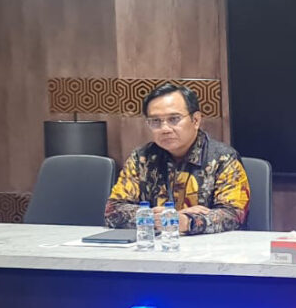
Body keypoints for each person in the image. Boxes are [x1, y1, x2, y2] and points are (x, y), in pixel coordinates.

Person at [105, 83, 249, 234]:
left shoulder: (223, 158)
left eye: (174, 119)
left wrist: (187, 221)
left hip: (211, 246)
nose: (165, 129)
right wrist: (159, 217)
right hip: (155, 243)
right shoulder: (141, 158)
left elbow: (234, 215)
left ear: (195, 120)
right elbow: (112, 210)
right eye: (155, 121)